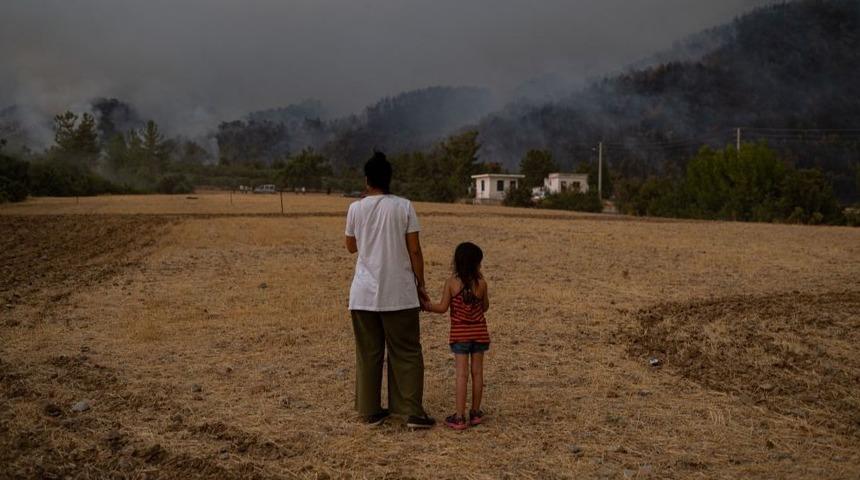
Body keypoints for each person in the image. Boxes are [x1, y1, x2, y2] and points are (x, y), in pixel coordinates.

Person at [344, 152, 435, 429]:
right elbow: (415, 250)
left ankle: (370, 411)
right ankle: (409, 411)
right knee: (406, 350)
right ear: (389, 178)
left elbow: (351, 246)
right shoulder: (404, 206)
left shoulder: (355, 208)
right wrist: (420, 285)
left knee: (369, 352)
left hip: (363, 295)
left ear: (367, 179)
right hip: (400, 293)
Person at [421, 242, 490, 430]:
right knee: (477, 374)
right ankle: (475, 413)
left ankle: (459, 417)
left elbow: (442, 308)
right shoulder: (482, 284)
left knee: (461, 375)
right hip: (479, 334)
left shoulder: (451, 283)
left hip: (460, 336)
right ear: (476, 264)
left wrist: (426, 306)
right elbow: (485, 307)